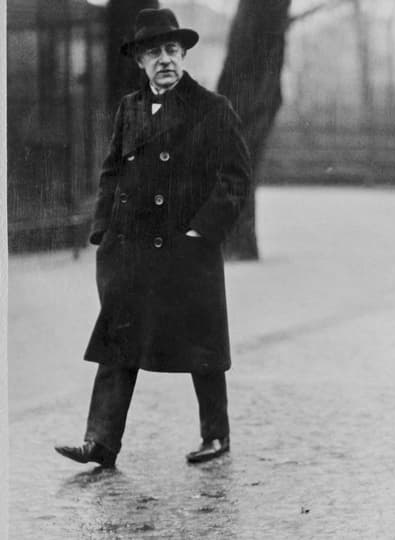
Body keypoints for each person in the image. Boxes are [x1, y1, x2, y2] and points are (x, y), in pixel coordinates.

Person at [54, 8, 251, 467]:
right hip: (132, 247)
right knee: (117, 343)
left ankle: (216, 436)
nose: (164, 60)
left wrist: (202, 230)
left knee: (203, 346)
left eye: (171, 50)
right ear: (140, 62)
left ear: (183, 56)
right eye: (153, 53)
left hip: (187, 247)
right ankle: (100, 442)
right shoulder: (131, 107)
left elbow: (236, 178)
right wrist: (103, 229)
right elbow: (111, 171)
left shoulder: (212, 108)